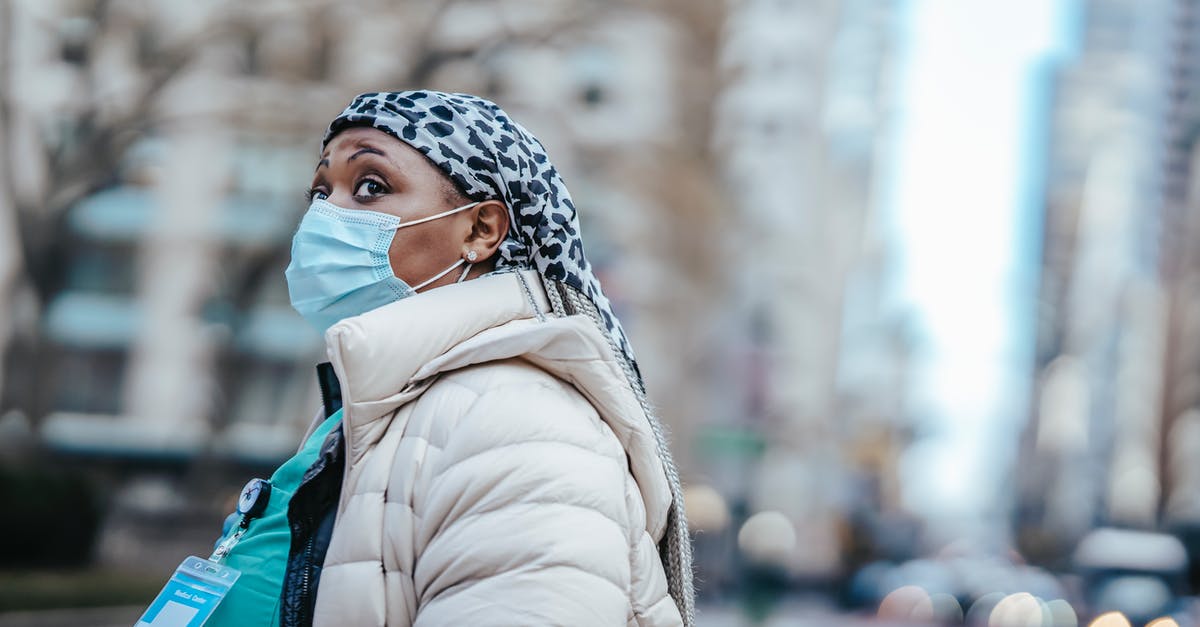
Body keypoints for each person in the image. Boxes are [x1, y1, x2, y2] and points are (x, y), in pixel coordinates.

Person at [207, 91, 695, 627]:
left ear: (482, 230)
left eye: (371, 186)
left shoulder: (515, 424)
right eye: (320, 191)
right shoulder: (384, 411)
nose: (326, 213)